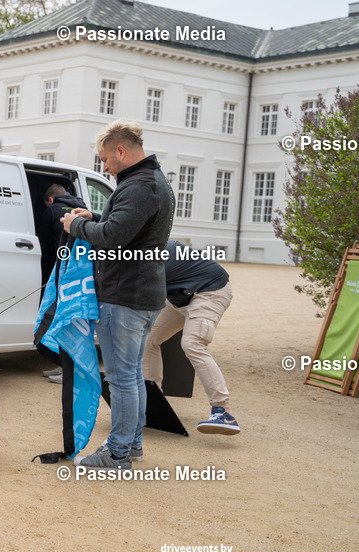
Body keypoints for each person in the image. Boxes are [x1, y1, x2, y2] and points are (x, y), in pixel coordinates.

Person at [62, 119, 175, 470]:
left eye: (105, 159)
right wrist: (94, 214)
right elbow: (129, 227)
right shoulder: (154, 182)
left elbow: (114, 236)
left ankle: (118, 453)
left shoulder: (139, 186)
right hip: (144, 295)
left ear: (121, 152)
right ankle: (132, 445)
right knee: (131, 375)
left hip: (125, 296)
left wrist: (75, 225)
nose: (104, 167)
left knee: (122, 378)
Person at [143, 240, 239, 435]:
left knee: (193, 343)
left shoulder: (153, 255)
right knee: (147, 339)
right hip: (178, 296)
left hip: (210, 291)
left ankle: (222, 411)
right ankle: (153, 404)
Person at [40, 183, 87, 384]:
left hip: (63, 271)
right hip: (81, 272)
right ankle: (62, 364)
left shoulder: (51, 210)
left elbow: (41, 243)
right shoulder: (83, 208)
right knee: (69, 319)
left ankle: (67, 369)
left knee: (62, 318)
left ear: (50, 199)